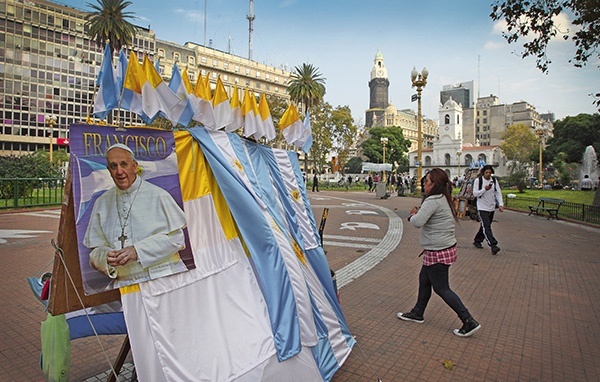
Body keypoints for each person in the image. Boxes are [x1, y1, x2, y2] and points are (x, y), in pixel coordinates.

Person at [84, 143, 187, 289]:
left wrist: (137, 251)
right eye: (114, 166)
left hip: (163, 278)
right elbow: (94, 251)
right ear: (109, 170)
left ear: (134, 166)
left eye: (124, 164)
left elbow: (177, 239)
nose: (119, 171)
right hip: (124, 284)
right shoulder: (102, 203)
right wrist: (106, 257)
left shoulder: (158, 195)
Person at [398, 168, 481, 337]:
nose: (424, 184)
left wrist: (413, 214)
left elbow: (418, 222)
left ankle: (468, 320)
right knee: (424, 280)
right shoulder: (443, 198)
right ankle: (418, 312)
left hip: (438, 250)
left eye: (426, 181)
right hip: (442, 248)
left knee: (442, 288)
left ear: (434, 184)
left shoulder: (433, 201)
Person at [472, 165, 504, 255]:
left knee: (485, 226)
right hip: (482, 207)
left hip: (491, 207)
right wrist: (484, 189)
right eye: (486, 172)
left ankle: (477, 240)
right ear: (483, 172)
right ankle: (493, 245)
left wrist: (501, 204)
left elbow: (498, 193)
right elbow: (475, 194)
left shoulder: (494, 181)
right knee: (486, 226)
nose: (488, 174)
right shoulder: (478, 181)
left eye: (490, 172)